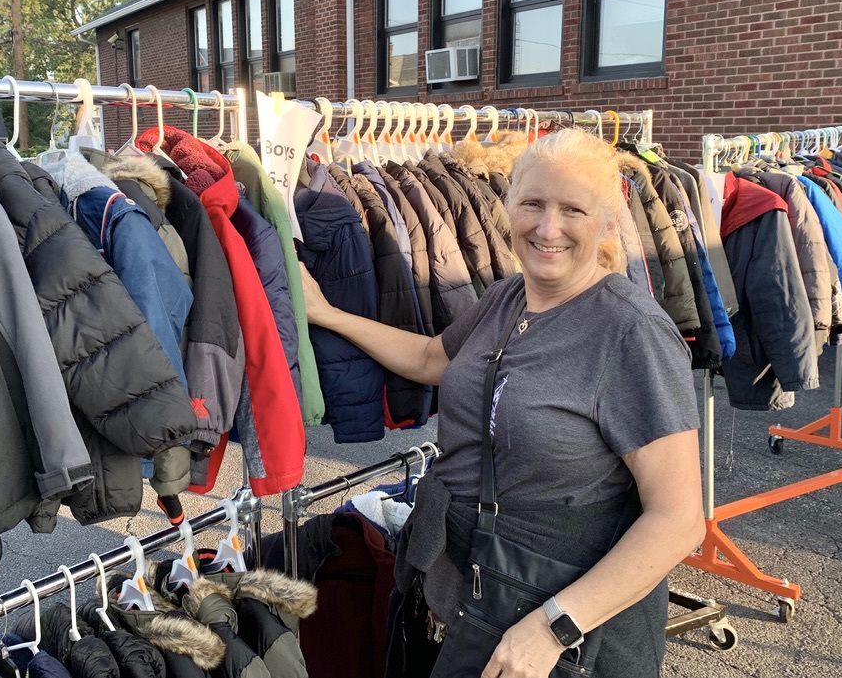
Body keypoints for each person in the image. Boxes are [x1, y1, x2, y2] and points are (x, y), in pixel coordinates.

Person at [299, 128, 705, 678]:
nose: (547, 227)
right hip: (471, 589)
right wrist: (328, 314)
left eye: (573, 210)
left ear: (610, 222)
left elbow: (679, 520)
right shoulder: (504, 297)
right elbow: (427, 359)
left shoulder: (631, 334)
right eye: (532, 203)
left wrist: (553, 628)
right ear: (507, 204)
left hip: (552, 618)